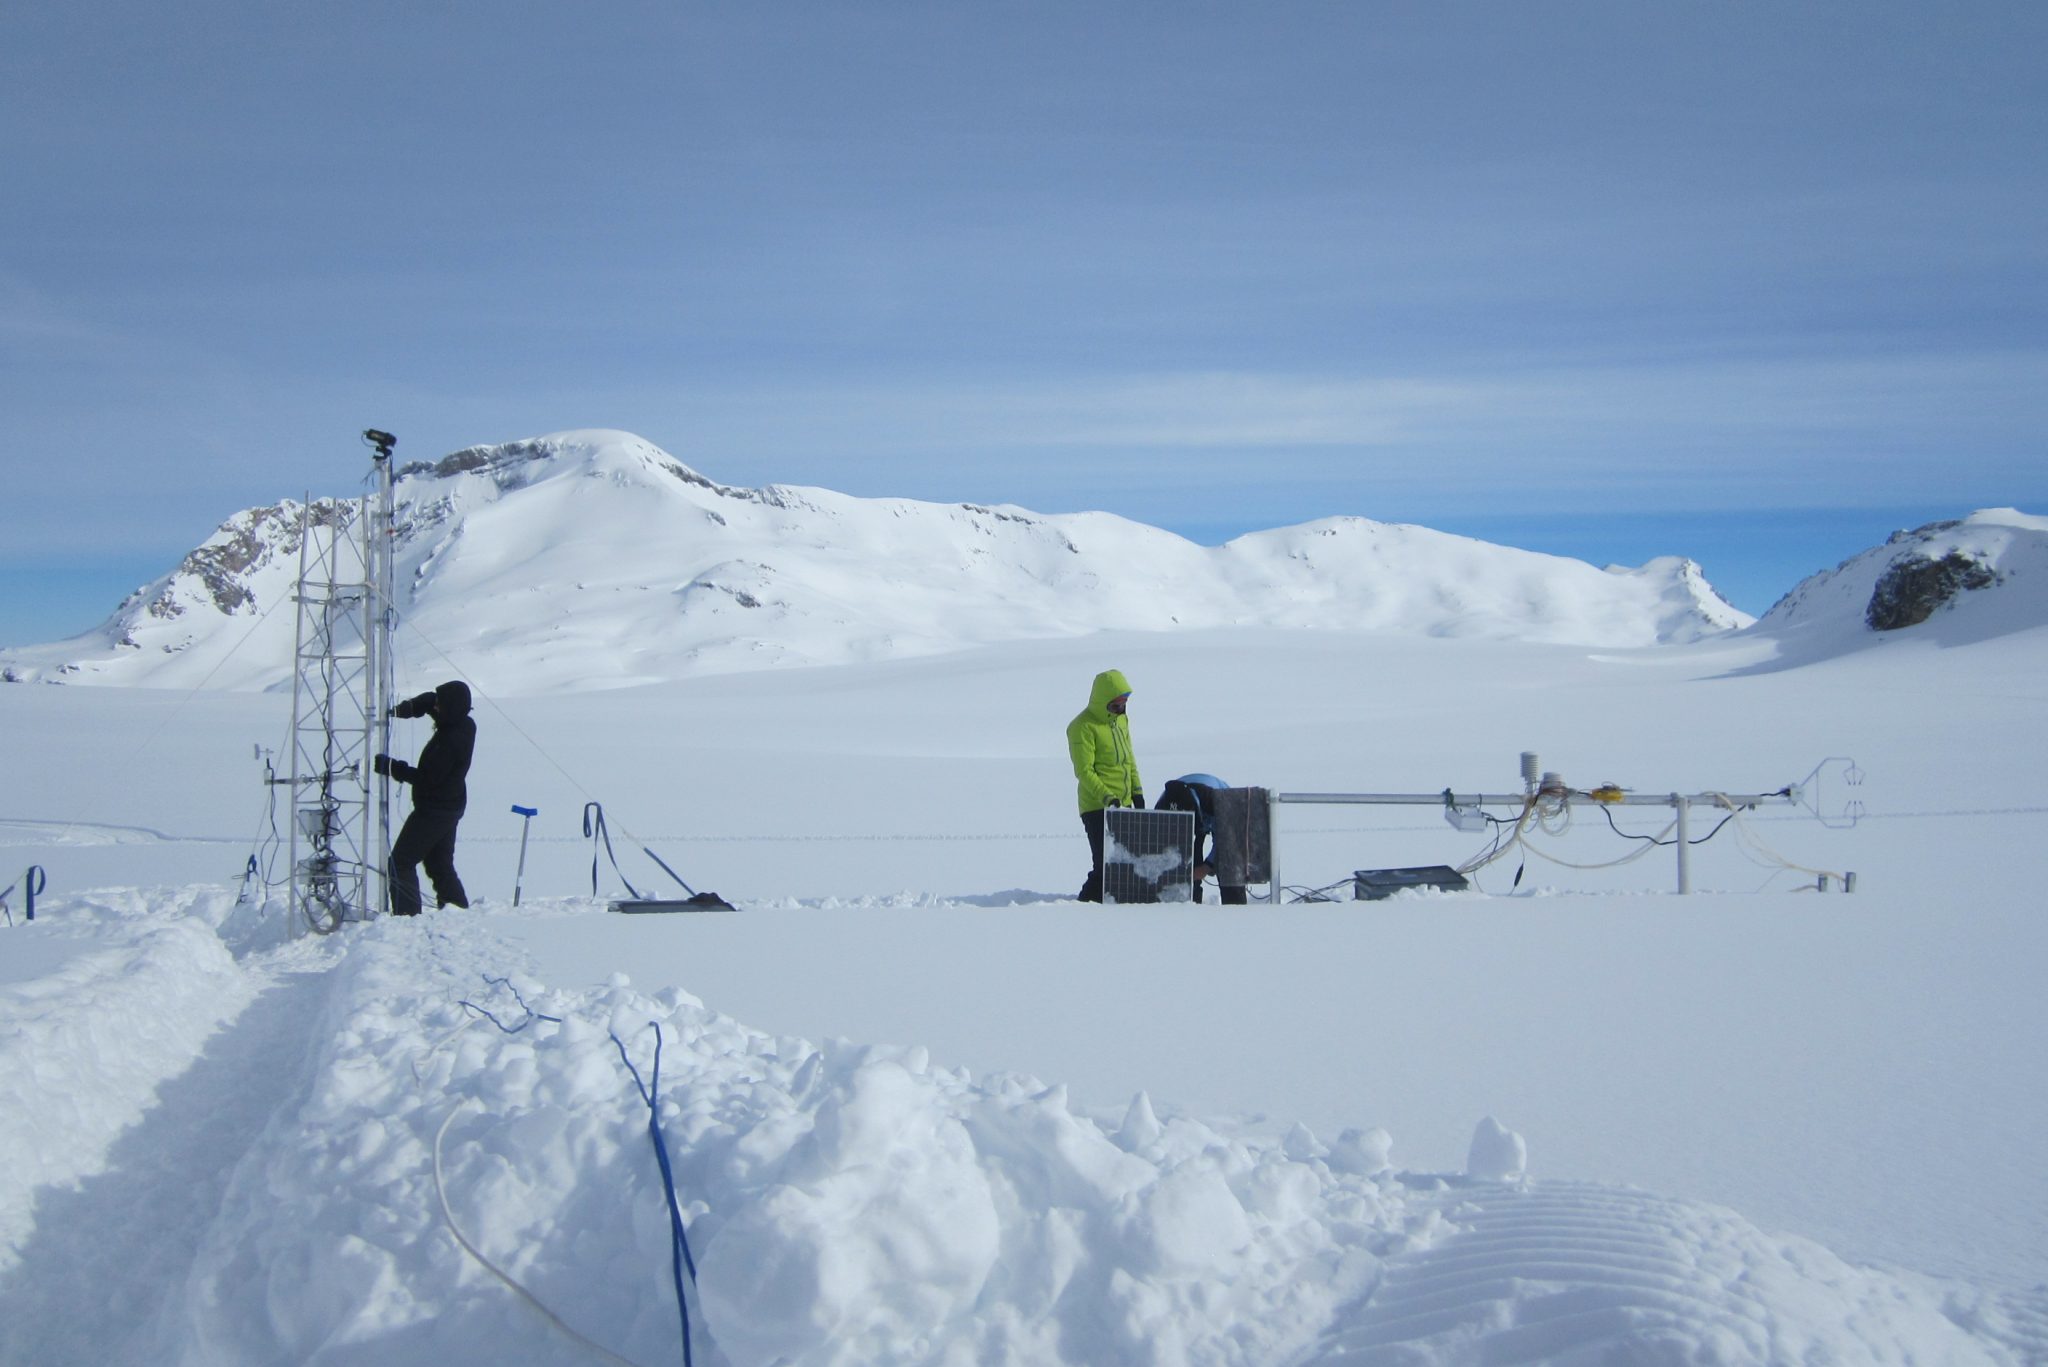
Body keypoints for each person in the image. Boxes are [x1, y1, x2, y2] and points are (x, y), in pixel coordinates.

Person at [375, 680, 476, 917]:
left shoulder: (452, 741)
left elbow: (426, 779)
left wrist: (392, 768)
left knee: (400, 862)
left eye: (441, 705)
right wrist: (414, 707)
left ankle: (407, 918)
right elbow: (434, 702)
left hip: (435, 810)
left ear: (450, 707)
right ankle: (457, 912)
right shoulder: (464, 722)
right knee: (439, 864)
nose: (436, 707)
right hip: (450, 806)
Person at [1067, 668, 1143, 903]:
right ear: (1103, 701)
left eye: (1124, 703)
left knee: (1124, 864)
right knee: (1104, 865)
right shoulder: (1082, 726)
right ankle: (1085, 906)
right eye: (1116, 705)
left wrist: (1137, 792)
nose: (1121, 709)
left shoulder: (1121, 722)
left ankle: (1114, 906)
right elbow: (1084, 771)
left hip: (1123, 805)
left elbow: (1128, 759)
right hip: (1096, 806)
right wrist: (1107, 797)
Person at [1156, 773, 1248, 904]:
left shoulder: (1217, 801)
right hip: (1198, 809)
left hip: (1223, 811)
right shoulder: (1162, 807)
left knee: (1229, 863)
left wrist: (1207, 866)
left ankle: (1235, 908)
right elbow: (1160, 843)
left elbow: (1226, 840)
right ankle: (1192, 903)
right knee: (1182, 861)